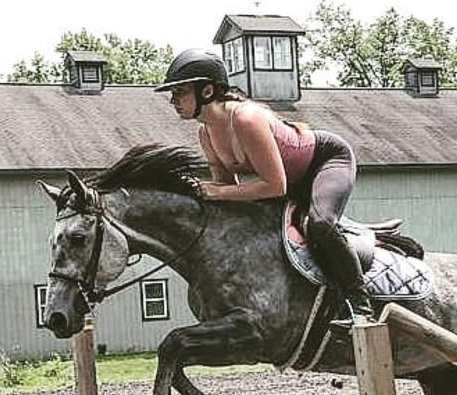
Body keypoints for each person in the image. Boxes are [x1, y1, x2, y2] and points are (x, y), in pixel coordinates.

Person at [155, 49, 373, 320]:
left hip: (325, 161)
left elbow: (275, 186)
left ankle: (359, 304)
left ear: (207, 91)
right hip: (290, 179)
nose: (172, 100)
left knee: (320, 224)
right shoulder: (205, 132)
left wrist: (216, 191)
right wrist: (199, 191)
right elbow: (225, 187)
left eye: (180, 92)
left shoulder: (246, 119)